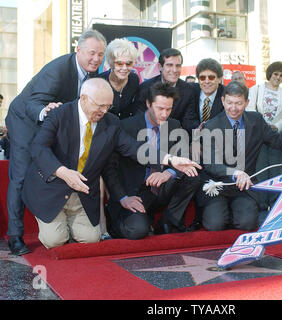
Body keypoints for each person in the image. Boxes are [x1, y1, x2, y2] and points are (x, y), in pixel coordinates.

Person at [21, 78, 201, 250]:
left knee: (91, 239)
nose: (104, 111)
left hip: (82, 191)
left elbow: (134, 148)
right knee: (55, 241)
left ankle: (68, 221)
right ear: (84, 99)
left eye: (108, 106)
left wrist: (171, 159)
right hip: (52, 187)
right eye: (100, 106)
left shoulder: (111, 122)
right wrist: (63, 172)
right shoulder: (59, 114)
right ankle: (57, 222)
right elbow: (38, 148)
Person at [5, 29, 107, 256]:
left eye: (101, 55)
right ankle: (14, 236)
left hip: (51, 124)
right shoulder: (59, 69)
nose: (96, 59)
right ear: (78, 50)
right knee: (20, 175)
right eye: (91, 53)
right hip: (26, 120)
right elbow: (33, 101)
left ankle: (65, 222)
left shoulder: (93, 73)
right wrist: (44, 111)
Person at [201, 81, 282, 231]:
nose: (233, 108)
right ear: (223, 101)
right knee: (215, 224)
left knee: (247, 224)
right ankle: (224, 212)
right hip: (218, 186)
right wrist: (235, 173)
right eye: (229, 103)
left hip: (245, 188)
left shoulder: (256, 120)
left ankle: (236, 213)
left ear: (247, 102)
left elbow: (278, 142)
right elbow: (210, 164)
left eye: (238, 103)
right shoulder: (211, 126)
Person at [103, 82, 200, 238]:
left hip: (161, 186)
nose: (164, 114)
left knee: (191, 174)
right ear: (148, 104)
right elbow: (109, 168)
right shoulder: (126, 126)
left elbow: (183, 156)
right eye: (160, 108)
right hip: (135, 190)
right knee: (137, 230)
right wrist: (122, 198)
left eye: (169, 109)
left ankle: (167, 222)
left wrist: (167, 173)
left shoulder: (174, 125)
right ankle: (121, 223)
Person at [247, 62, 282, 211]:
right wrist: (261, 126)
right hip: (258, 135)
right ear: (270, 74)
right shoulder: (256, 89)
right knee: (260, 169)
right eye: (275, 74)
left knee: (275, 169)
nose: (278, 77)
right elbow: (250, 109)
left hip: (275, 136)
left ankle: (274, 203)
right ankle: (261, 203)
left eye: (281, 75)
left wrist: (277, 126)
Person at [190, 58, 225, 230]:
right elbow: (186, 119)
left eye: (211, 77)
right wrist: (196, 138)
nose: (206, 81)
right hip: (193, 146)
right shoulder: (191, 92)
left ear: (219, 78)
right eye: (202, 78)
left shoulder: (226, 95)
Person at [133, 48, 199, 134]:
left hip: (175, 139)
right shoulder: (145, 88)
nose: (174, 70)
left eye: (178, 66)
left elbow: (188, 121)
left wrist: (198, 130)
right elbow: (139, 119)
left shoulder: (189, 91)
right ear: (160, 67)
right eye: (170, 65)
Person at [98, 38, 140, 119]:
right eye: (119, 63)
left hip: (126, 128)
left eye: (129, 63)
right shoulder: (99, 82)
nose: (124, 68)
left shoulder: (134, 80)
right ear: (111, 63)